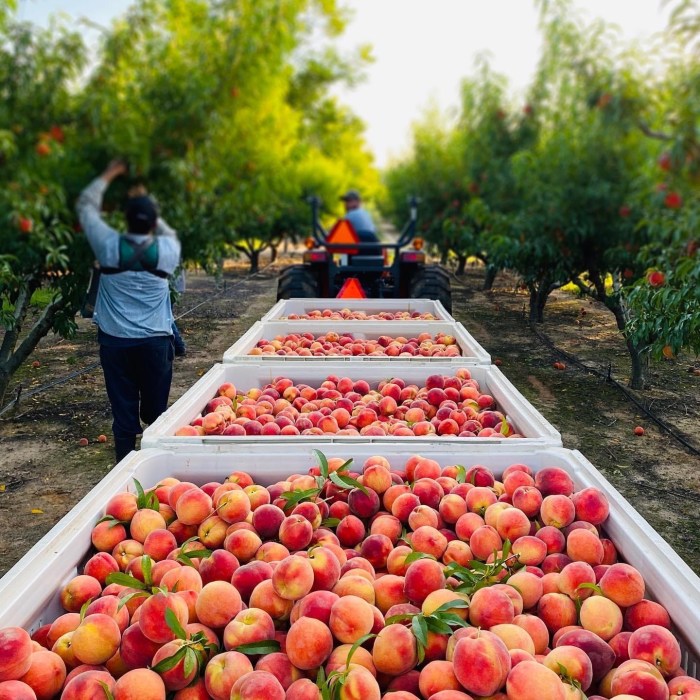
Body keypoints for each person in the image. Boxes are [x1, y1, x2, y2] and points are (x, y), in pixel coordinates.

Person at [77, 160, 182, 462]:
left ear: (124, 219)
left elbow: (86, 206)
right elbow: (167, 232)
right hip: (155, 343)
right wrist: (147, 202)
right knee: (156, 409)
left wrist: (110, 173)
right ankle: (156, 461)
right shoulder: (167, 251)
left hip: (117, 342)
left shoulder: (109, 246)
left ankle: (124, 464)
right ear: (152, 223)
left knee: (123, 405)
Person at [340, 189, 381, 254]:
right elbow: (373, 232)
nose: (345, 204)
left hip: (356, 255)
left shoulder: (350, 215)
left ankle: (343, 263)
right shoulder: (366, 213)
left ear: (357, 201)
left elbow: (339, 235)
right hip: (373, 254)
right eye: (346, 201)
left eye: (348, 201)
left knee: (343, 252)